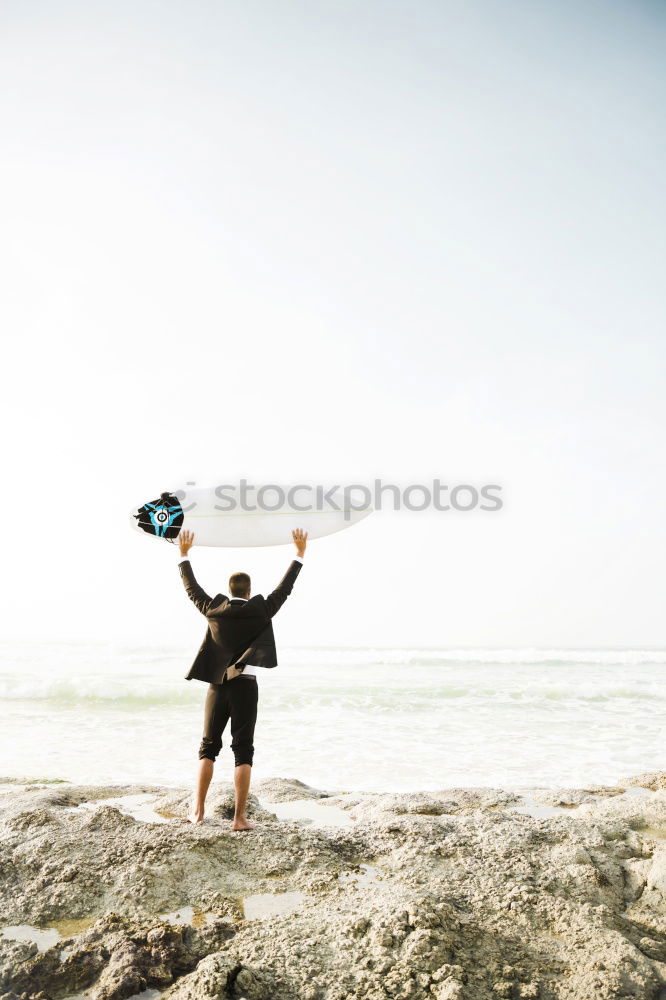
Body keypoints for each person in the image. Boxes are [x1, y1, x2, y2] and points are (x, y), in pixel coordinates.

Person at [177, 527, 307, 829]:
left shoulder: (213, 610)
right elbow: (283, 589)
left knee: (208, 747)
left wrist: (183, 556)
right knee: (243, 750)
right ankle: (238, 818)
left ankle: (197, 811)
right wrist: (298, 555)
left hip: (216, 687)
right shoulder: (261, 610)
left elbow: (191, 588)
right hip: (246, 688)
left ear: (230, 590)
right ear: (248, 592)